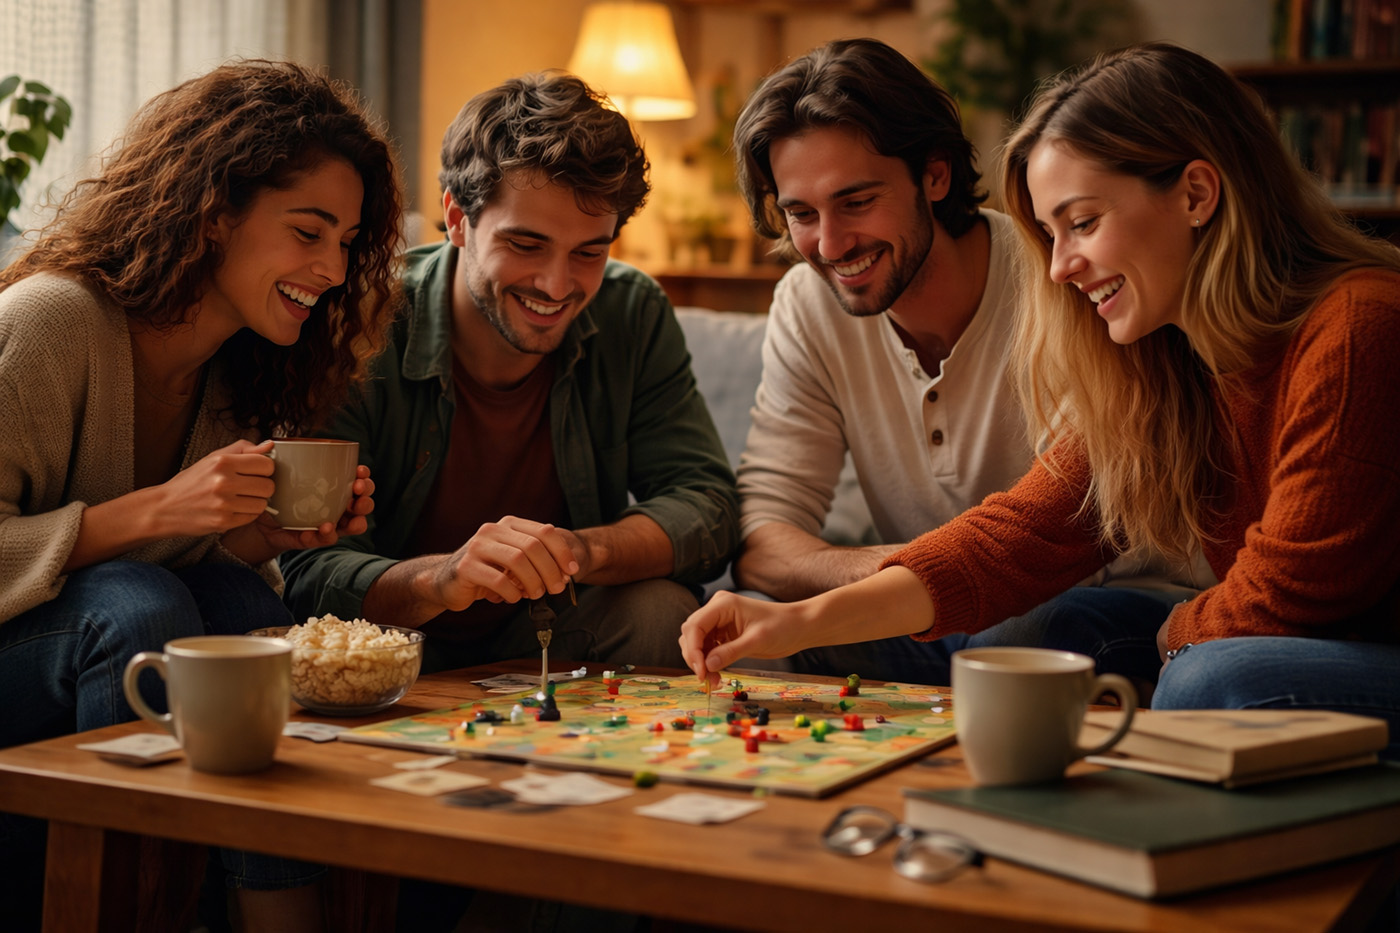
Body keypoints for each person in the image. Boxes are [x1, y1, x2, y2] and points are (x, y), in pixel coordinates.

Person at [681, 42, 1400, 758]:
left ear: (1196, 194)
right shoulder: (1168, 359)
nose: (1057, 267)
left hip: (1336, 647)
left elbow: (1287, 597)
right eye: (1051, 232)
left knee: (1209, 680)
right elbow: (1019, 535)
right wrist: (798, 621)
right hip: (1262, 641)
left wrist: (1173, 636)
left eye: (1082, 223)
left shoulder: (1356, 327)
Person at [0, 60, 400, 930]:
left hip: (94, 636)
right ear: (215, 213)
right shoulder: (47, 322)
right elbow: (127, 562)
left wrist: (261, 537)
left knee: (245, 614)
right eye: (309, 231)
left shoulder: (235, 374)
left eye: (347, 240)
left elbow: (189, 561)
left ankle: (279, 909)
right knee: (136, 606)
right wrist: (160, 511)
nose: (333, 267)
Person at [725, 37, 1201, 685]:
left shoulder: (1066, 278)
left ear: (936, 175)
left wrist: (911, 582)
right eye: (802, 214)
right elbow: (763, 540)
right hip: (932, 610)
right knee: (739, 626)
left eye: (857, 202)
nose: (830, 244)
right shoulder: (807, 305)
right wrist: (894, 578)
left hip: (1100, 603)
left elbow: (1070, 529)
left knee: (1027, 634)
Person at [278, 72, 737, 678]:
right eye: (525, 244)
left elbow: (707, 507)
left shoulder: (632, 310)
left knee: (658, 611)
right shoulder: (356, 323)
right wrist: (442, 578)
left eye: (589, 252)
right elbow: (307, 567)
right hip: (397, 637)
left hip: (555, 627)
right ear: (457, 218)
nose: (556, 284)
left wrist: (581, 549)